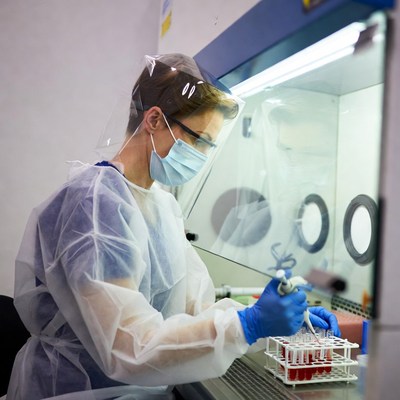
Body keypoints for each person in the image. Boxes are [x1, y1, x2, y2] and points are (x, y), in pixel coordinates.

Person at [8, 54, 340, 400]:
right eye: (198, 140)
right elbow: (126, 345)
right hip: (77, 391)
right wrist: (249, 324)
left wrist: (276, 325)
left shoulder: (161, 205)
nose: (201, 154)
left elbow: (195, 309)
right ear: (154, 120)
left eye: (209, 145)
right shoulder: (95, 207)